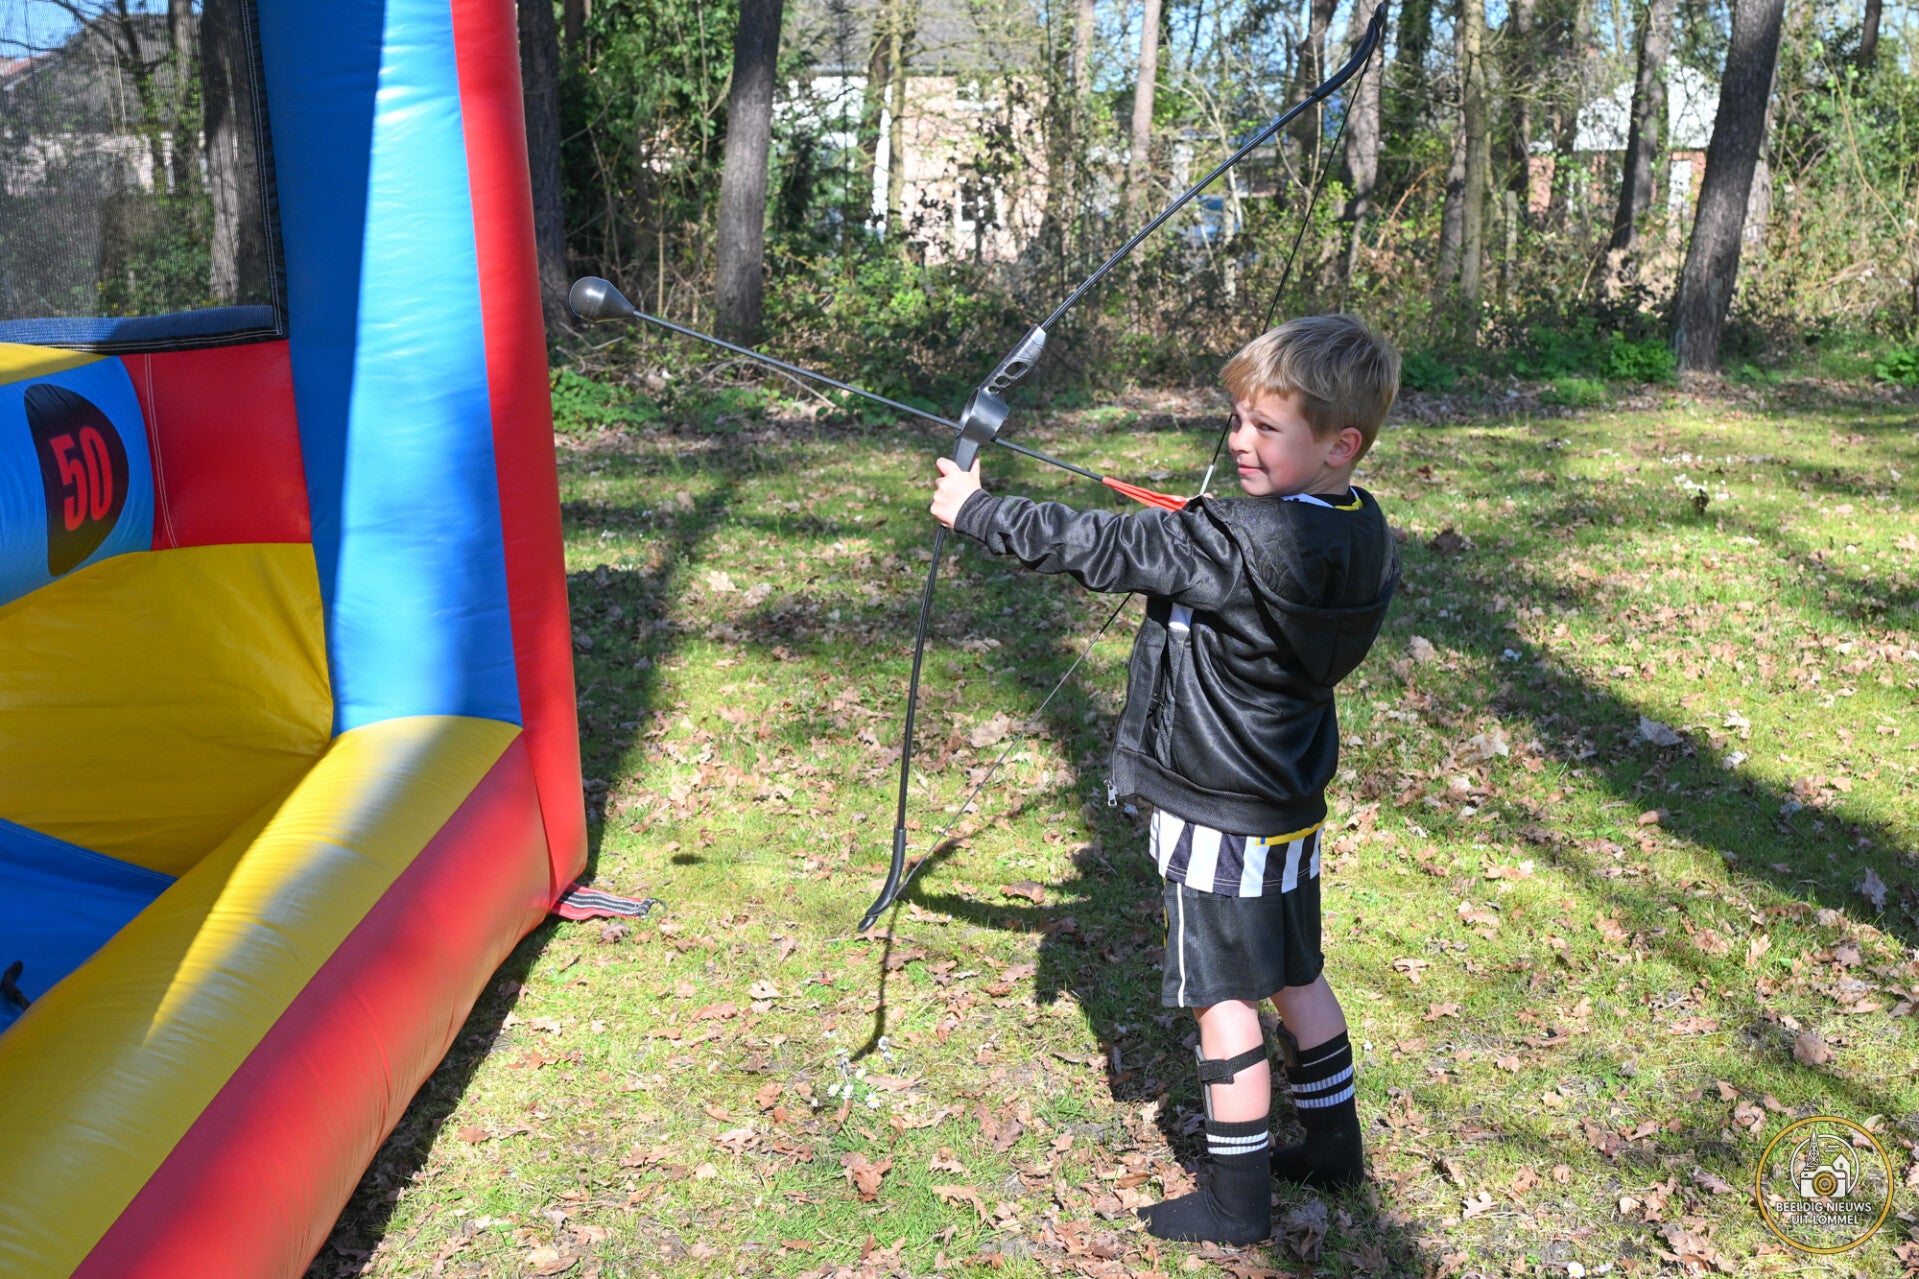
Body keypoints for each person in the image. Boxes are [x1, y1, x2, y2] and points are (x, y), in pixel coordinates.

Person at [929, 314, 1401, 1245]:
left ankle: (1235, 1201)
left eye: (1267, 427)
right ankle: (1334, 1147)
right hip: (1287, 797)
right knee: (1295, 972)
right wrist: (1213, 525)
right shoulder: (1364, 528)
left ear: (1339, 444)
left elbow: (1103, 545)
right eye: (1238, 419)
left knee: (1222, 997)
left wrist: (977, 510)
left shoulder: (1225, 542)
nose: (1239, 440)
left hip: (1214, 803)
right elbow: (1232, 548)